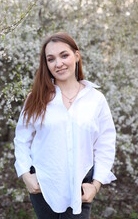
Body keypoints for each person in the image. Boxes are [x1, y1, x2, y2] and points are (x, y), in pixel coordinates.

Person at [14, 32, 116, 219]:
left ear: (76, 56)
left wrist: (96, 184)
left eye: (64, 55)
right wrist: (25, 175)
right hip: (44, 186)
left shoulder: (96, 99)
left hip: (80, 187)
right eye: (51, 59)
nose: (58, 63)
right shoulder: (36, 98)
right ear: (46, 64)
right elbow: (21, 139)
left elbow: (105, 145)